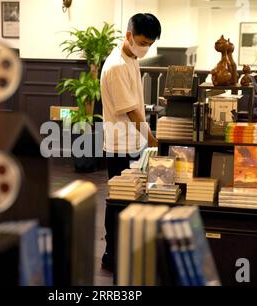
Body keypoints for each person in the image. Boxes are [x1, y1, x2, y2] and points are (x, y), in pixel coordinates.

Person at [100, 13, 161, 272]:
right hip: (119, 146)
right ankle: (111, 255)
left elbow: (137, 104)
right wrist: (155, 141)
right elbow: (133, 113)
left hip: (133, 142)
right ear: (128, 35)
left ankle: (125, 250)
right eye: (143, 41)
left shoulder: (131, 58)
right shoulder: (115, 66)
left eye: (150, 43)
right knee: (118, 201)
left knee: (132, 199)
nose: (145, 47)